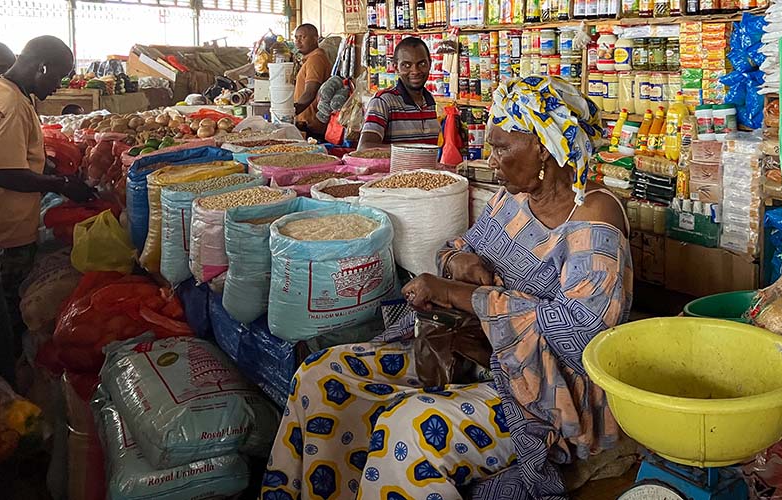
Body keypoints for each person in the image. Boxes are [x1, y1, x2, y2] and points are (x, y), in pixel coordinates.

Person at [261, 76, 633, 500]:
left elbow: (580, 333)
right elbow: (457, 248)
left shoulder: (594, 217)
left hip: (545, 392)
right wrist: (459, 261)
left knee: (409, 427)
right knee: (322, 375)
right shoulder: (511, 199)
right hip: (472, 353)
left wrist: (461, 295)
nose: (491, 159)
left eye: (501, 147)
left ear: (544, 148)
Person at [0, 35, 95, 350]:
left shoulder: (7, 91)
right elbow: (5, 173)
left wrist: (53, 172)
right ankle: (8, 375)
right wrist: (62, 185)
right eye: (59, 76)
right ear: (42, 67)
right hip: (6, 231)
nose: (59, 85)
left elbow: (15, 156)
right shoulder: (9, 102)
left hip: (2, 222)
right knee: (10, 313)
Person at [358, 37, 440, 150]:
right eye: (407, 65)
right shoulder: (383, 101)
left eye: (421, 64)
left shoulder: (429, 101)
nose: (415, 71)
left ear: (430, 64)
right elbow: (364, 148)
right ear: (396, 67)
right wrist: (412, 151)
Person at [293, 23, 331, 141]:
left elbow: (310, 93)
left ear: (315, 38)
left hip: (312, 125)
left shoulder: (316, 59)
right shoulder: (310, 59)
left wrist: (290, 113)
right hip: (305, 123)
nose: (298, 41)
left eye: (302, 37)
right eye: (296, 38)